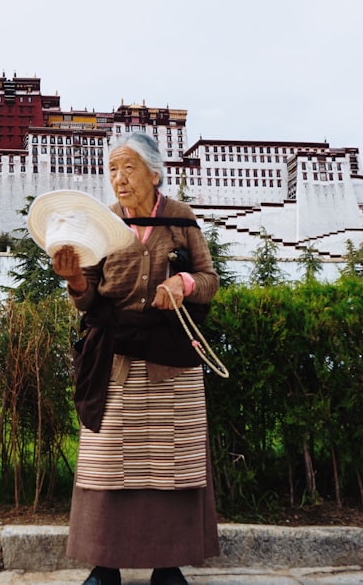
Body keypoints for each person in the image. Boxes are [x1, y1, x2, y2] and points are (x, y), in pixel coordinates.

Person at [51, 132, 220, 585]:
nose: (119, 179)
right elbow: (86, 298)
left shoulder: (181, 219)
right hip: (115, 360)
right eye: (112, 170)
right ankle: (105, 566)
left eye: (128, 168)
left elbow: (208, 278)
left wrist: (181, 285)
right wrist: (75, 282)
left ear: (153, 172)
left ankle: (169, 565)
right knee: (108, 464)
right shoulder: (101, 224)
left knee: (173, 462)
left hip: (171, 360)